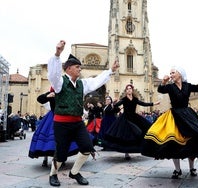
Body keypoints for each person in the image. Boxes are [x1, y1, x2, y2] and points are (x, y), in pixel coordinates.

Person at [47, 40, 119, 186]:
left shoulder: (82, 84)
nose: (80, 69)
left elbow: (97, 81)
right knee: (61, 153)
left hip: (77, 123)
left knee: (87, 148)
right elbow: (53, 75)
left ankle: (74, 172)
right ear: (68, 69)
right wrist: (57, 54)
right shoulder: (60, 83)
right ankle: (53, 175)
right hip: (61, 123)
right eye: (77, 67)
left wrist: (110, 70)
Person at [102, 84, 160, 160]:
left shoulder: (135, 99)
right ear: (126, 91)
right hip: (125, 119)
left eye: (130, 88)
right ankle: (126, 153)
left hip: (134, 118)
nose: (129, 90)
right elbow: (116, 105)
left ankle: (141, 148)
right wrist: (114, 103)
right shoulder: (124, 99)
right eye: (127, 89)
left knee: (140, 132)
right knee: (126, 136)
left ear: (132, 90)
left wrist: (154, 103)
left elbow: (143, 103)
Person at [28, 88, 79, 167]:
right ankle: (45, 159)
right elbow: (39, 99)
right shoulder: (51, 93)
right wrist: (48, 96)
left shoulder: (65, 92)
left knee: (63, 139)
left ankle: (61, 158)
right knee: (48, 139)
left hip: (63, 116)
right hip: (52, 118)